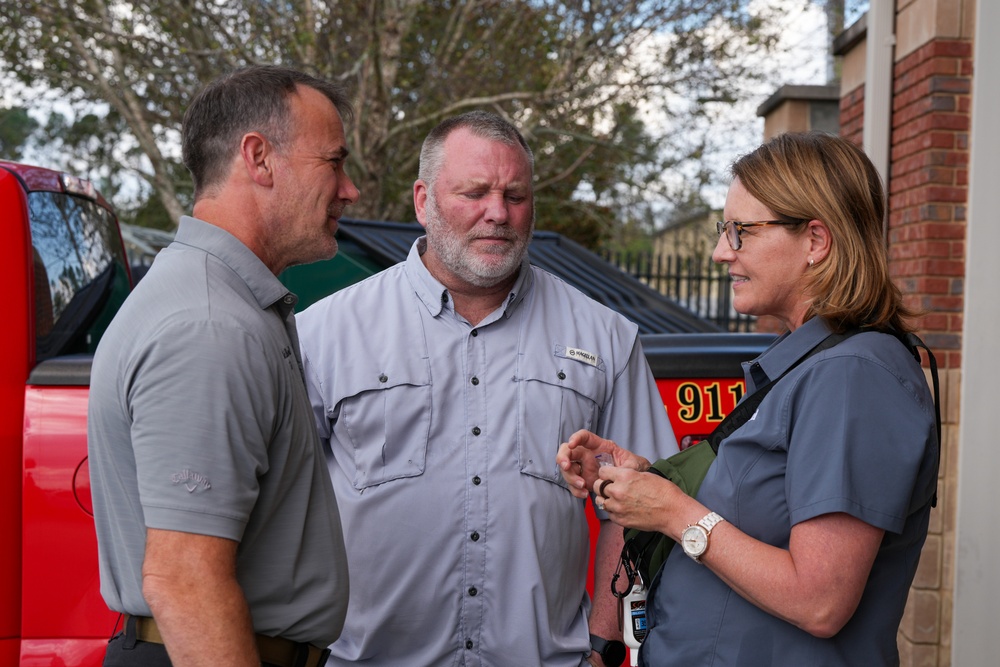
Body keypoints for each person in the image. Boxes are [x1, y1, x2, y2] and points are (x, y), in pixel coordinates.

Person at [296, 111, 677, 666]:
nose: (497, 213)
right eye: (474, 192)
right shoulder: (324, 332)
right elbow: (275, 502)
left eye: (515, 196)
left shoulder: (605, 336)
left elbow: (643, 503)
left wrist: (602, 644)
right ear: (423, 201)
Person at [558, 131, 939, 666]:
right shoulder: (810, 363)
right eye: (724, 230)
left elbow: (821, 601)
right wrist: (643, 481)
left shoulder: (852, 375)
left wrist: (672, 512)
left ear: (816, 241)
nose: (720, 252)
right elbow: (756, 513)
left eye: (742, 231)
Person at [87, 65, 360, 667]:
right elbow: (186, 580)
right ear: (258, 158)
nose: (350, 190)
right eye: (334, 162)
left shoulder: (223, 303)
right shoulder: (209, 325)